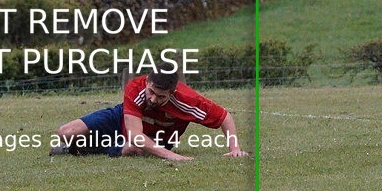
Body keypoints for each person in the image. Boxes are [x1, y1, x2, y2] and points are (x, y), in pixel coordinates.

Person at [52, 67, 249, 161]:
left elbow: (224, 117)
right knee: (66, 132)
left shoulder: (188, 101)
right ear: (147, 82)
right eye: (151, 92)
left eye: (161, 96)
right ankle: (87, 146)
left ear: (172, 93)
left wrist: (235, 148)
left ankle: (86, 150)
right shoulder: (135, 88)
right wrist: (172, 157)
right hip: (124, 119)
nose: (153, 99)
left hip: (155, 138)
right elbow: (136, 134)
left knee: (133, 148)